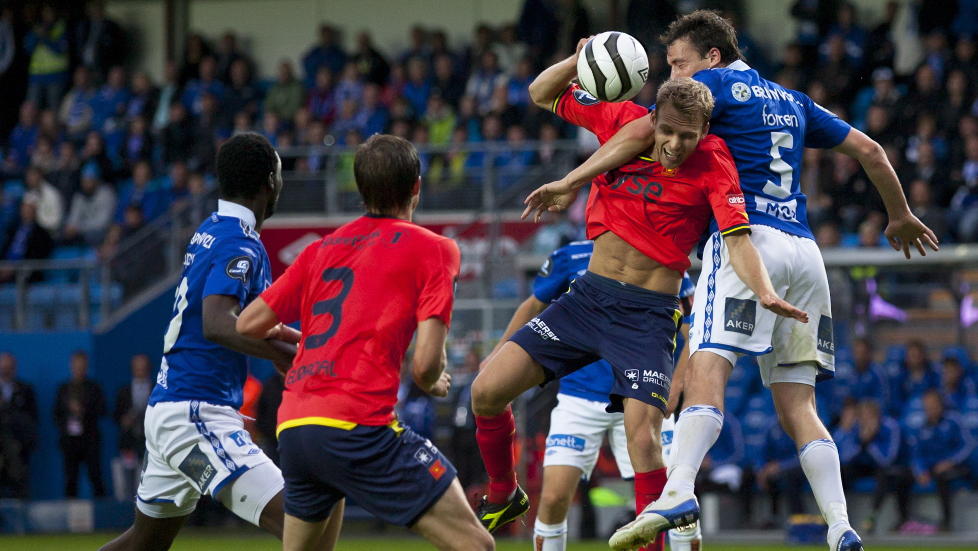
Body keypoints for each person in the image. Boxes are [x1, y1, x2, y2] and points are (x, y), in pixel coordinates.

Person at [542, 12, 938, 550]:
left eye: (679, 63)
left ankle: (678, 490)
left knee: (706, 369)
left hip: (746, 240)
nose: (674, 76)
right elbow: (871, 150)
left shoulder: (711, 86)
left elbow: (642, 131)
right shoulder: (792, 99)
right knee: (799, 405)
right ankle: (840, 525)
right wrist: (899, 214)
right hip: (805, 251)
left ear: (712, 56)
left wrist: (571, 180)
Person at [471, 40, 806, 544]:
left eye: (687, 136)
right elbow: (541, 93)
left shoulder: (714, 162)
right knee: (485, 391)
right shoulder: (620, 122)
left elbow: (738, 239)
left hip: (646, 317)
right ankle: (504, 491)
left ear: (704, 131)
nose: (674, 144)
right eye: (667, 131)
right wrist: (580, 58)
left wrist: (764, 291)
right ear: (653, 121)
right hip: (586, 300)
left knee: (644, 443)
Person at [236, 134, 493, 551]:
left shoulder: (319, 250)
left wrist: (299, 340)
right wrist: (435, 381)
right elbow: (424, 367)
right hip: (357, 426)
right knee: (477, 545)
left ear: (360, 189)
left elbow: (248, 323)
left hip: (296, 427)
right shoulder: (435, 248)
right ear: (417, 186)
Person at [98, 133, 333, 551]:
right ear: (269, 183)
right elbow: (218, 324)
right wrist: (295, 359)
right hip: (196, 415)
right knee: (304, 528)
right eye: (279, 176)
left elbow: (250, 323)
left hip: (172, 410)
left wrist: (298, 348)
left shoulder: (212, 229)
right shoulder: (239, 241)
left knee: (142, 545)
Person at [488, 237, 698, 551]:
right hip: (578, 397)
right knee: (554, 498)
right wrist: (497, 354)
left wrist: (678, 385)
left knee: (672, 499)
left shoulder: (660, 254)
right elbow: (532, 305)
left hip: (640, 393)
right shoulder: (570, 256)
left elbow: (693, 330)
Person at [909, 390, 974, 532]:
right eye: (927, 405)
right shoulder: (923, 426)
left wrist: (950, 461)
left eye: (933, 404)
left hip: (957, 466)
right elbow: (917, 454)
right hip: (932, 467)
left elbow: (968, 444)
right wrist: (921, 471)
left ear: (940, 404)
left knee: (942, 476)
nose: (930, 408)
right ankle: (904, 519)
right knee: (903, 476)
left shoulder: (954, 420)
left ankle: (946, 521)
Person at [54, 351, 107, 497]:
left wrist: (84, 410)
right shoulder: (63, 389)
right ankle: (70, 509)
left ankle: (101, 509)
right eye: (76, 366)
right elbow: (56, 414)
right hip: (69, 442)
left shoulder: (94, 388)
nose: (79, 369)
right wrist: (68, 415)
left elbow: (102, 410)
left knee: (95, 476)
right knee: (70, 479)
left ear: (86, 367)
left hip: (90, 440)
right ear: (71, 366)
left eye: (82, 366)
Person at [113, 354, 154, 498]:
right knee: (128, 482)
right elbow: (115, 415)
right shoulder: (123, 391)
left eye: (143, 368)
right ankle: (127, 508)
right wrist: (124, 420)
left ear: (148, 369)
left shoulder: (157, 390)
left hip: (150, 442)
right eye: (137, 368)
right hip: (129, 443)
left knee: (150, 480)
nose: (140, 371)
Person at [0, 352, 38, 499]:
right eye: (3, 368)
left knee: (19, 482)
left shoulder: (25, 390)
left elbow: (32, 418)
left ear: (14, 369)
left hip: (19, 446)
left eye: (9, 368)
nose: (5, 371)